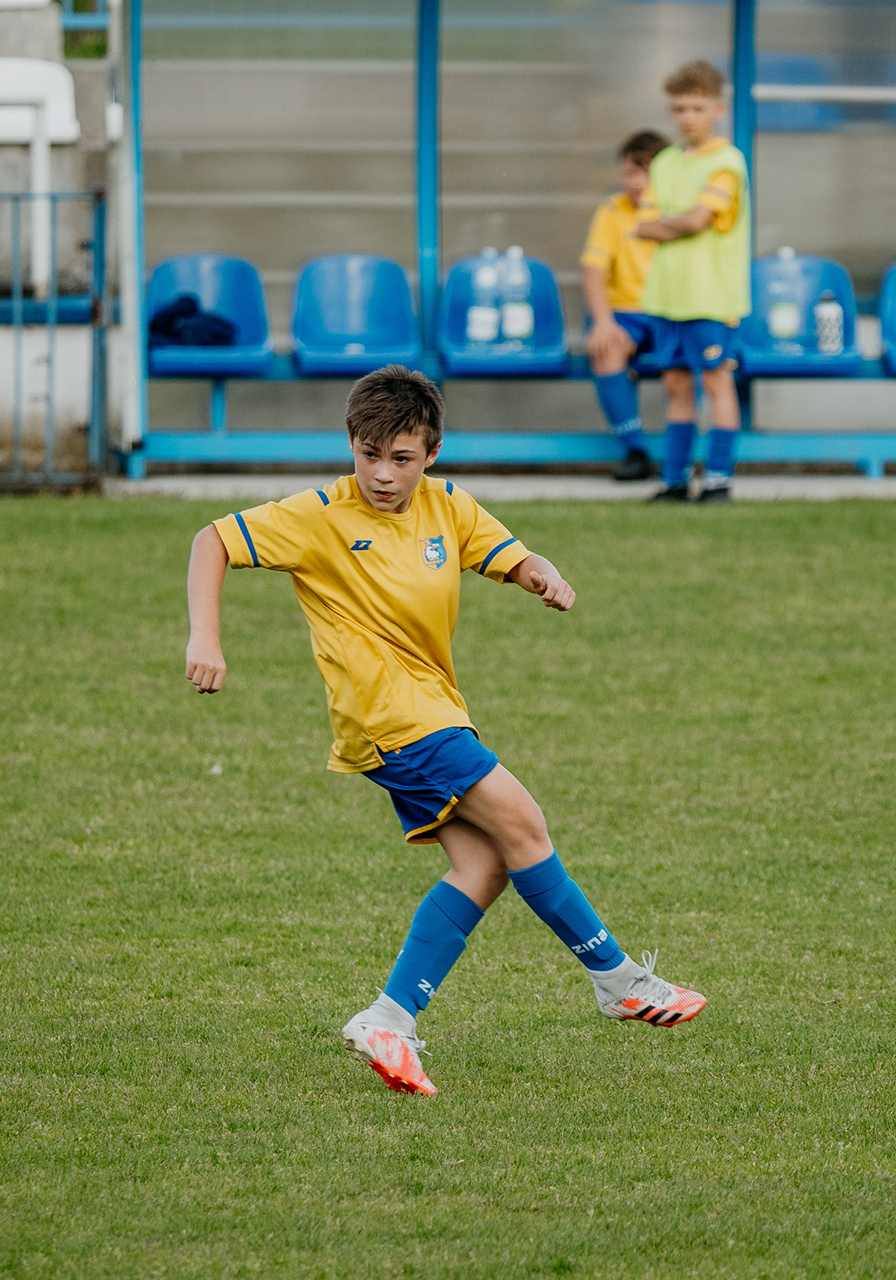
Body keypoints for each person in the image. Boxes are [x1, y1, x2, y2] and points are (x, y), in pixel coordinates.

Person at [183, 365, 707, 1097]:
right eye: (368, 455)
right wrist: (205, 637)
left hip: (433, 711)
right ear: (351, 445)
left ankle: (388, 1020)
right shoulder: (320, 514)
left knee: (485, 866)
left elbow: (512, 556)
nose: (382, 474)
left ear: (431, 453)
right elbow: (212, 539)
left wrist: (541, 575)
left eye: (401, 458)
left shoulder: (448, 505)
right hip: (391, 719)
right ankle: (617, 980)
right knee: (524, 822)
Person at [633, 60, 752, 504]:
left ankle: (719, 480)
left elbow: (698, 220)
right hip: (667, 296)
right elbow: (644, 225)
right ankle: (676, 481)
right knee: (676, 386)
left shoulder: (727, 162)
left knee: (717, 382)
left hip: (711, 297)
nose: (688, 117)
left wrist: (669, 223)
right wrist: (674, 223)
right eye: (680, 108)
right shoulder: (665, 162)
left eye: (698, 108)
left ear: (718, 109)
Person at [582, 129, 672, 482]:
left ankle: (680, 454)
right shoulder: (612, 209)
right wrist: (603, 322)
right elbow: (593, 270)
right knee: (607, 348)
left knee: (688, 360)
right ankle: (635, 450)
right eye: (628, 173)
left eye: (643, 173)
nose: (634, 183)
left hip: (670, 313)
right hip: (624, 313)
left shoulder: (679, 211)